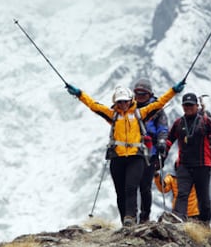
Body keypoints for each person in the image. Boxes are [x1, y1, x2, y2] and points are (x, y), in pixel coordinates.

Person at [66, 80, 185, 226]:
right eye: (119, 102)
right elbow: (93, 105)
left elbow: (159, 103)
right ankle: (125, 221)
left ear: (130, 100)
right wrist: (79, 94)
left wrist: (174, 90)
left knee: (131, 187)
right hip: (117, 157)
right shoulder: (112, 115)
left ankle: (131, 217)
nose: (122, 104)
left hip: (136, 156)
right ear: (116, 102)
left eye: (125, 101)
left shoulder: (140, 114)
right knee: (120, 191)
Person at [165, 92, 211, 226]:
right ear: (182, 106)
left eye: (191, 105)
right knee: (182, 193)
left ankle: (204, 222)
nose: (188, 107)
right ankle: (179, 218)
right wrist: (163, 151)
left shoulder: (205, 121)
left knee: (203, 196)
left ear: (197, 106)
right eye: (186, 105)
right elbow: (169, 139)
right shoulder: (178, 123)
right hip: (184, 165)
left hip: (203, 165)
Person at [133, 78, 169, 223]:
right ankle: (131, 215)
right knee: (131, 186)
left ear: (150, 94)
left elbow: (163, 128)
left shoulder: (157, 110)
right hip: (133, 153)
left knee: (145, 187)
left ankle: (144, 216)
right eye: (138, 93)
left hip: (150, 153)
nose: (140, 96)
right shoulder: (130, 107)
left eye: (143, 93)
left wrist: (161, 141)